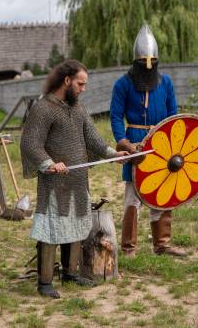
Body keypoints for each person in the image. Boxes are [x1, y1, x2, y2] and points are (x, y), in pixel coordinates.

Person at [21, 59, 129, 299]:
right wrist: (49, 163)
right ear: (67, 80)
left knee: (77, 226)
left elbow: (93, 140)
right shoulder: (43, 108)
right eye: (80, 83)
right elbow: (30, 143)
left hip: (77, 180)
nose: (83, 88)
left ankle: (71, 273)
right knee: (51, 230)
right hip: (54, 182)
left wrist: (113, 154)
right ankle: (45, 281)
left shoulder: (78, 109)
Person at [110, 24, 186, 258]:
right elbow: (115, 116)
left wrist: (175, 146)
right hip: (135, 143)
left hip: (162, 145)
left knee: (162, 192)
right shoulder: (123, 84)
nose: (147, 69)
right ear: (137, 63)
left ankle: (162, 244)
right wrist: (124, 142)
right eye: (144, 64)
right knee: (133, 196)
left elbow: (174, 117)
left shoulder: (166, 83)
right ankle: (129, 248)